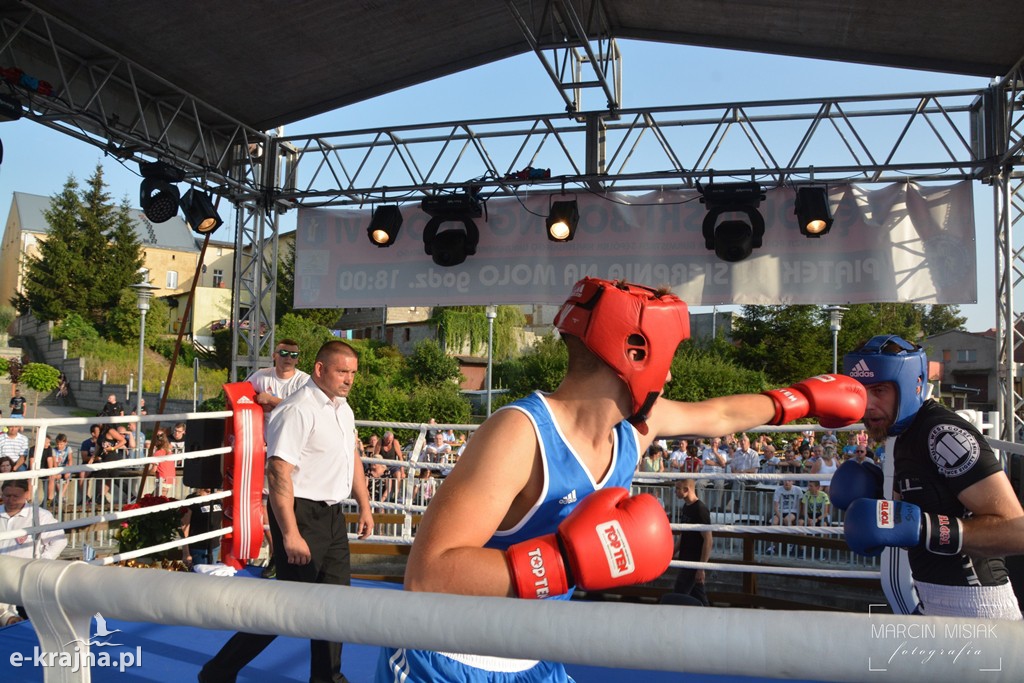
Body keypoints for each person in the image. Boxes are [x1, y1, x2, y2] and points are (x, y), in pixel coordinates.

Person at [376, 277, 866, 682]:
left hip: (534, 656)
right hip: (442, 659)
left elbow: (718, 414)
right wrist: (567, 562)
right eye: (667, 360)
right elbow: (428, 575)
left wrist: (798, 400)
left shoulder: (633, 432)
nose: (669, 378)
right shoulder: (520, 434)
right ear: (636, 354)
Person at [200, 340, 374, 683]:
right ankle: (218, 671)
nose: (349, 380)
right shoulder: (297, 409)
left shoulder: (343, 408)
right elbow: (278, 473)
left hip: (333, 515)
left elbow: (350, 456)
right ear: (321, 369)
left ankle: (327, 678)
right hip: (300, 514)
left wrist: (365, 505)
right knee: (285, 609)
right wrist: (291, 533)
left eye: (353, 373)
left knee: (334, 604)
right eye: (342, 371)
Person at [837, 335, 1024, 619]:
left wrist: (925, 528)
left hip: (979, 610)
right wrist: (881, 499)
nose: (868, 405)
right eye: (861, 392)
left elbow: (1016, 531)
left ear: (915, 384)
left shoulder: (943, 434)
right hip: (932, 602)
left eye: (879, 390)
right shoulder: (901, 434)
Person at [245, 339, 310, 430]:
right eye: (284, 353)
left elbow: (301, 409)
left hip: (292, 436)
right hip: (265, 441)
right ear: (274, 356)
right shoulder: (261, 375)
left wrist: (270, 400)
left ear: (297, 360)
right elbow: (240, 395)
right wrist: (258, 404)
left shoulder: (304, 380)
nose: (289, 358)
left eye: (294, 355)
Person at [667, 478, 712, 606]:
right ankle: (711, 618)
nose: (675, 492)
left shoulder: (700, 510)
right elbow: (684, 535)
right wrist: (671, 553)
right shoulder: (686, 507)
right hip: (687, 561)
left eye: (677, 489)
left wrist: (701, 568)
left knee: (678, 596)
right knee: (698, 596)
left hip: (693, 563)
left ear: (686, 490)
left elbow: (708, 540)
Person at [0, 479, 68, 559]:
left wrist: (42, 562)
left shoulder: (41, 515)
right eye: (7, 496)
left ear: (26, 494)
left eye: (16, 496)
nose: (11, 500)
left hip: (26, 569)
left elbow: (59, 541)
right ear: (2, 494)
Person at [181, 487, 223, 567]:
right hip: (198, 548)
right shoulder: (192, 500)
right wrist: (186, 552)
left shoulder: (217, 499)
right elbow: (184, 527)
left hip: (215, 546)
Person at [149, 429, 176, 495]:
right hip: (170, 478)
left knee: (158, 498)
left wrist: (148, 472)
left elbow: (154, 470)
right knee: (158, 497)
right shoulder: (170, 452)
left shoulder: (158, 453)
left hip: (162, 479)